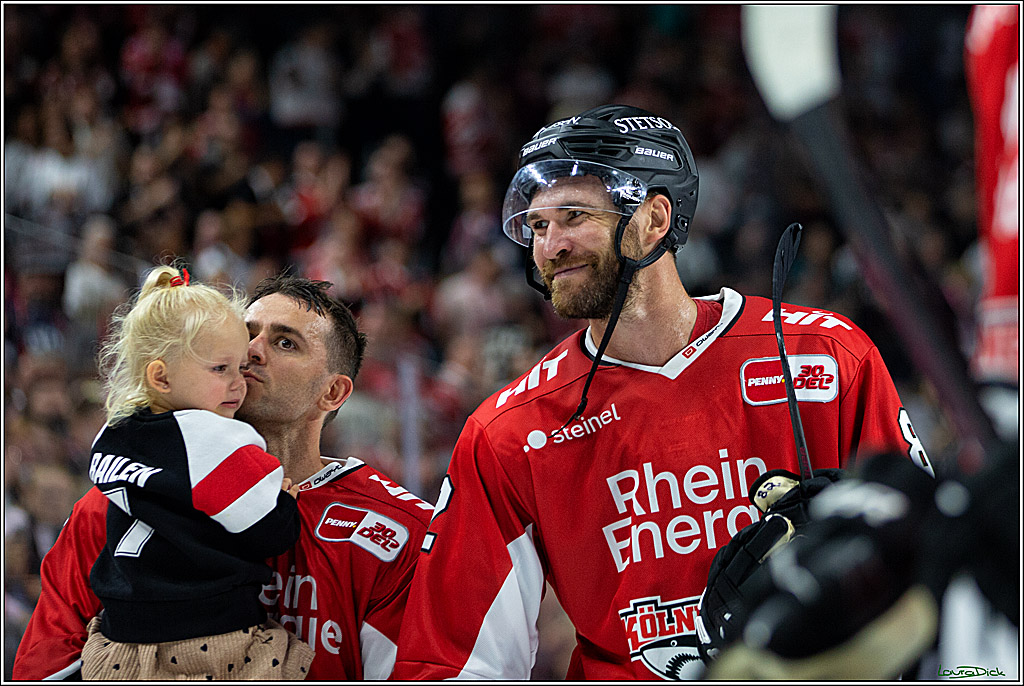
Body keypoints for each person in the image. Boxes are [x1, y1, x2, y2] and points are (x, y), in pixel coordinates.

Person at [392, 104, 934, 680]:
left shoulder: (823, 355)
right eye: (539, 225)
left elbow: (938, 566)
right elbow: (452, 666)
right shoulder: (509, 435)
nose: (550, 247)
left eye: (573, 215)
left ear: (654, 219)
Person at [13, 273, 434, 680]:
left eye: (285, 342)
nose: (252, 350)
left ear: (333, 392)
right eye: (247, 333)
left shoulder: (401, 533)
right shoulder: (111, 503)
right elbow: (44, 666)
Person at [80, 265, 312, 680]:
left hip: (116, 646)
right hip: (208, 644)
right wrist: (285, 503)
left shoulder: (115, 432)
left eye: (240, 367)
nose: (238, 383)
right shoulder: (211, 437)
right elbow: (273, 531)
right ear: (161, 375)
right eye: (219, 369)